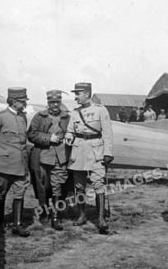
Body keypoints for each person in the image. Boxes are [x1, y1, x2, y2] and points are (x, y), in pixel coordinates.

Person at [65, 82, 114, 233]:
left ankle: (101, 218)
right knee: (79, 186)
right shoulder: (74, 112)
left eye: (78, 93)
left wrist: (108, 153)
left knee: (98, 184)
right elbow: (70, 130)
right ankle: (82, 215)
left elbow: (107, 133)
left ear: (87, 94)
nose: (76, 97)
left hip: (95, 150)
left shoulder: (100, 110)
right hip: (79, 150)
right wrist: (68, 136)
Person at [0, 87, 31, 237]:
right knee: (1, 194)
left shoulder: (22, 117)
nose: (24, 104)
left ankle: (17, 225)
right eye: (22, 101)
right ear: (13, 101)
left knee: (20, 194)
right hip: (3, 165)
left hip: (20, 164)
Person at [27, 90, 70, 230]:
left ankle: (55, 217)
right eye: (52, 102)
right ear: (48, 103)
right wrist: (48, 138)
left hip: (60, 157)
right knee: (43, 187)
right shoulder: (39, 117)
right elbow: (31, 135)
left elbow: (73, 132)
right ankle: (44, 213)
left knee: (58, 187)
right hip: (43, 157)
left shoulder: (67, 117)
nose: (55, 105)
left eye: (58, 102)